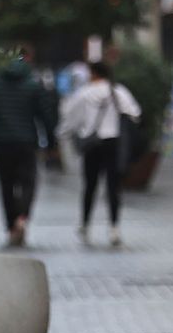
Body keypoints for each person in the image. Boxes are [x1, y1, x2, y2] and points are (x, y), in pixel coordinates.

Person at [0, 51, 57, 247]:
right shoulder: (33, 85)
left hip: (0, 142)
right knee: (28, 182)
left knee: (6, 185)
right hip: (26, 141)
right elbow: (45, 116)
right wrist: (53, 144)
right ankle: (22, 216)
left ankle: (11, 225)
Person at [58, 60, 140, 246]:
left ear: (94, 73)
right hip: (113, 143)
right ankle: (114, 228)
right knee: (113, 187)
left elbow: (71, 118)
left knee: (90, 186)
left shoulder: (84, 93)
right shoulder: (117, 91)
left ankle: (85, 224)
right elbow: (135, 112)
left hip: (92, 144)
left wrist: (61, 134)